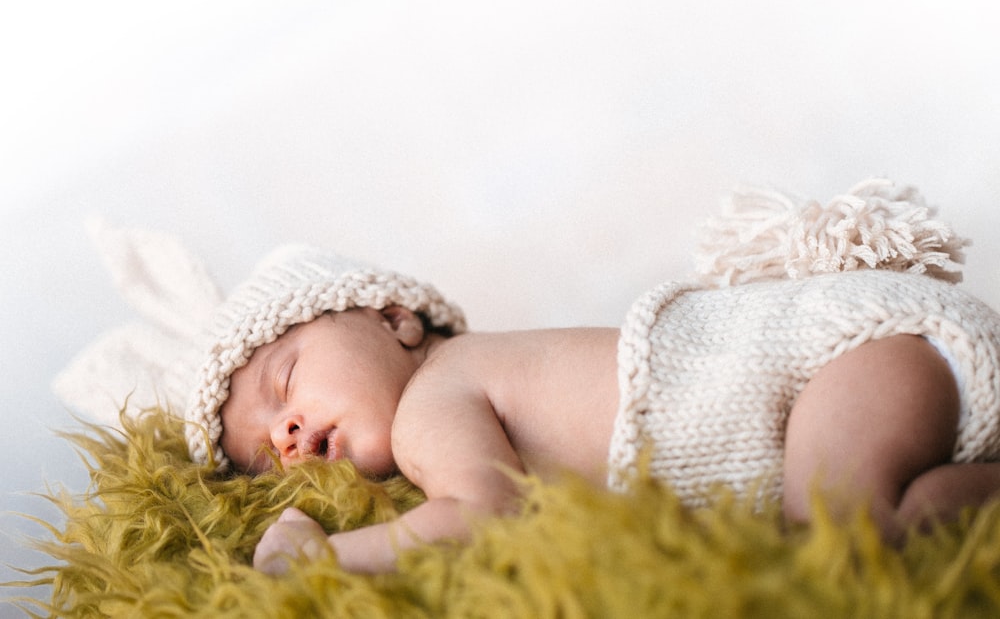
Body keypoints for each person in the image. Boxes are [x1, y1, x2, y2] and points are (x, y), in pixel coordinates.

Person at [184, 181, 1000, 576]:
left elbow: (480, 513)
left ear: (394, 319)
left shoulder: (437, 397)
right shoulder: (460, 389)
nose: (285, 433)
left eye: (286, 380)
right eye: (263, 452)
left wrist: (323, 556)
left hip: (852, 357)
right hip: (861, 372)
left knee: (849, 529)